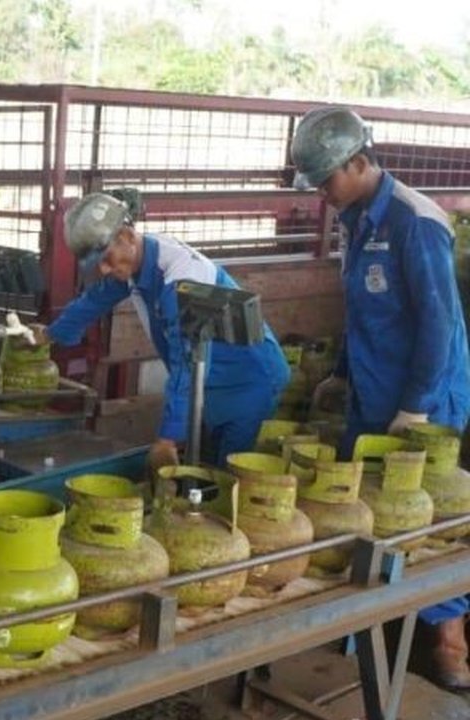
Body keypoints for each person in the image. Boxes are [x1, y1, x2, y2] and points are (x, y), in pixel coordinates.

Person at [292, 105, 470, 690]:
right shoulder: (356, 216)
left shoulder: (414, 222)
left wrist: (416, 406)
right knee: (360, 507)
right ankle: (357, 631)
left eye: (326, 181)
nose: (321, 194)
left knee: (425, 520)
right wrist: (340, 372)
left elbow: (439, 323)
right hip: (373, 389)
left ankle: (448, 643)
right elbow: (361, 308)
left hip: (425, 396)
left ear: (361, 162)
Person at [42, 192, 290, 471]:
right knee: (203, 466)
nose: (104, 268)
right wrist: (49, 335)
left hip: (250, 378)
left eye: (107, 258)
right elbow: (95, 300)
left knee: (225, 475)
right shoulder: (141, 259)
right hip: (210, 377)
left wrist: (168, 438)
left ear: (126, 235)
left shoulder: (180, 279)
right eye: (96, 263)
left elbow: (186, 361)